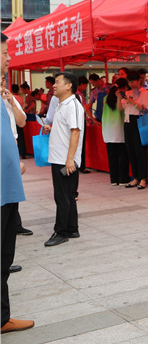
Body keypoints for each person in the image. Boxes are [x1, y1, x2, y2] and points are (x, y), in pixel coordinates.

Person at [1, 34, 34, 334]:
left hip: (9, 184)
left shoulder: (4, 94)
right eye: (4, 53)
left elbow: (19, 125)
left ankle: (2, 317)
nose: (9, 58)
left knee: (5, 255)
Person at [41, 72, 84, 247]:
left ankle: (61, 232)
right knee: (68, 195)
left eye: (57, 82)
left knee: (62, 197)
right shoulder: (62, 104)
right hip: (60, 157)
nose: (54, 85)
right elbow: (67, 130)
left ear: (68, 86)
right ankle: (72, 228)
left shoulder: (72, 105)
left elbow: (75, 132)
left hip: (65, 160)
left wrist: (70, 159)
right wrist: (51, 129)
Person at [122, 70, 148, 189]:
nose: (131, 84)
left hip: (138, 121)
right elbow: (122, 108)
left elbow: (145, 110)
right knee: (131, 150)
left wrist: (132, 102)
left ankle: (143, 178)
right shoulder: (127, 92)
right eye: (129, 82)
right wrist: (120, 98)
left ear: (139, 81)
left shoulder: (145, 93)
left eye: (133, 82)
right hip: (127, 121)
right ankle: (135, 177)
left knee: (140, 151)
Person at [102, 79, 131, 186]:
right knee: (122, 156)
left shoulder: (106, 98)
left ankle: (114, 179)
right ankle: (123, 179)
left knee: (112, 157)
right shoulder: (122, 98)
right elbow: (121, 110)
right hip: (119, 130)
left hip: (107, 131)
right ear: (124, 88)